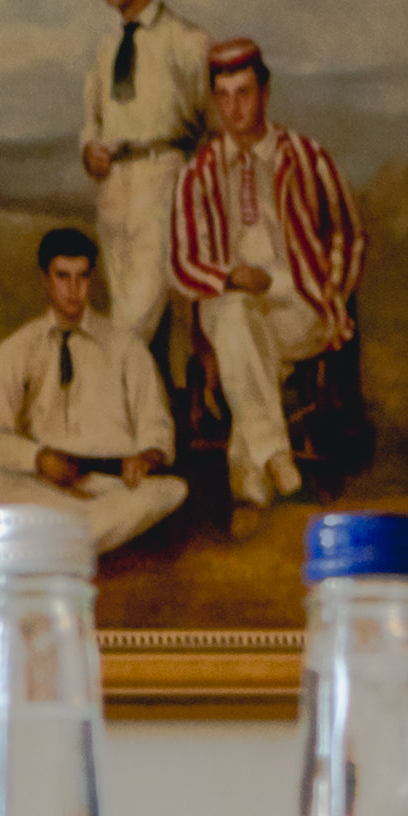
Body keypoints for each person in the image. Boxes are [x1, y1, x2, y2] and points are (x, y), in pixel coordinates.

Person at [162, 36, 363, 519]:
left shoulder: (306, 156)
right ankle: (273, 459)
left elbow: (347, 235)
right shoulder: (199, 174)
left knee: (241, 344)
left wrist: (332, 294)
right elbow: (183, 262)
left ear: (266, 92)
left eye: (244, 93)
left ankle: (251, 468)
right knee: (234, 316)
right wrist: (230, 276)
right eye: (224, 96)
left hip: (299, 300)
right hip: (231, 298)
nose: (234, 108)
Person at [0, 228, 187, 553]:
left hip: (112, 487)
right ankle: (80, 536)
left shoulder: (126, 347)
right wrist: (37, 459)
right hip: (44, 484)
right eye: (62, 276)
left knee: (172, 490)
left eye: (82, 277)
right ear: (45, 278)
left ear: (92, 278)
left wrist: (148, 455)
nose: (73, 290)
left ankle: (54, 537)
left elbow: (157, 424)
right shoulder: (19, 348)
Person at [73, 0, 215, 377]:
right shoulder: (104, 48)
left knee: (135, 315)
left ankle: (99, 409)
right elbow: (92, 119)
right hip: (114, 187)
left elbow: (211, 120)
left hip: (163, 179)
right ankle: (148, 430)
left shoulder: (187, 42)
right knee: (128, 310)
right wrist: (89, 150)